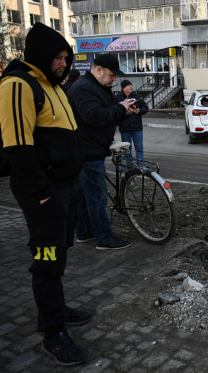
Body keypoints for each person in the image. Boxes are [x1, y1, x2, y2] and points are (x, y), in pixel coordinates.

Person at [0, 22, 90, 366]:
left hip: (66, 189)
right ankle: (53, 333)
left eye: (67, 57)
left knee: (58, 254)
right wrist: (43, 194)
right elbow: (18, 148)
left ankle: (57, 309)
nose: (64, 63)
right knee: (47, 261)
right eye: (59, 57)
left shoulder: (50, 85)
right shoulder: (18, 85)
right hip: (46, 196)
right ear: (42, 55)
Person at [68, 54, 137, 250]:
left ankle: (84, 232)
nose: (114, 79)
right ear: (98, 69)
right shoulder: (83, 88)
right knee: (97, 196)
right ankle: (104, 239)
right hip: (87, 151)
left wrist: (123, 112)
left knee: (85, 195)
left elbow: (107, 115)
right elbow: (93, 116)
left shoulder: (97, 87)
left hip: (90, 148)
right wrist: (119, 109)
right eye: (111, 75)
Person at [115, 80, 149, 161]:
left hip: (137, 128)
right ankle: (129, 168)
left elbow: (145, 108)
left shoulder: (137, 97)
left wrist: (139, 111)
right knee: (127, 150)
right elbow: (115, 111)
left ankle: (140, 166)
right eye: (128, 85)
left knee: (139, 148)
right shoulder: (117, 98)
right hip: (124, 128)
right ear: (123, 88)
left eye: (131, 85)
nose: (131, 87)